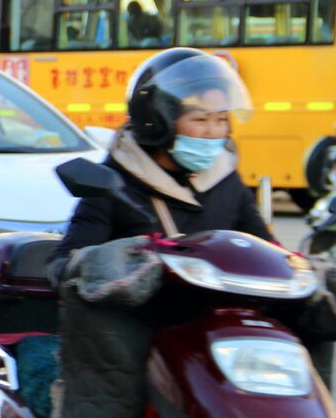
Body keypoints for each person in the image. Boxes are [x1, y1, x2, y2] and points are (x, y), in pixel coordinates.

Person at [48, 47, 271, 282]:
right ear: (157, 121)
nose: (213, 132)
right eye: (201, 119)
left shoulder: (225, 178)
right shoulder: (113, 185)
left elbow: (266, 250)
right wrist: (107, 263)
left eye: (221, 119)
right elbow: (63, 266)